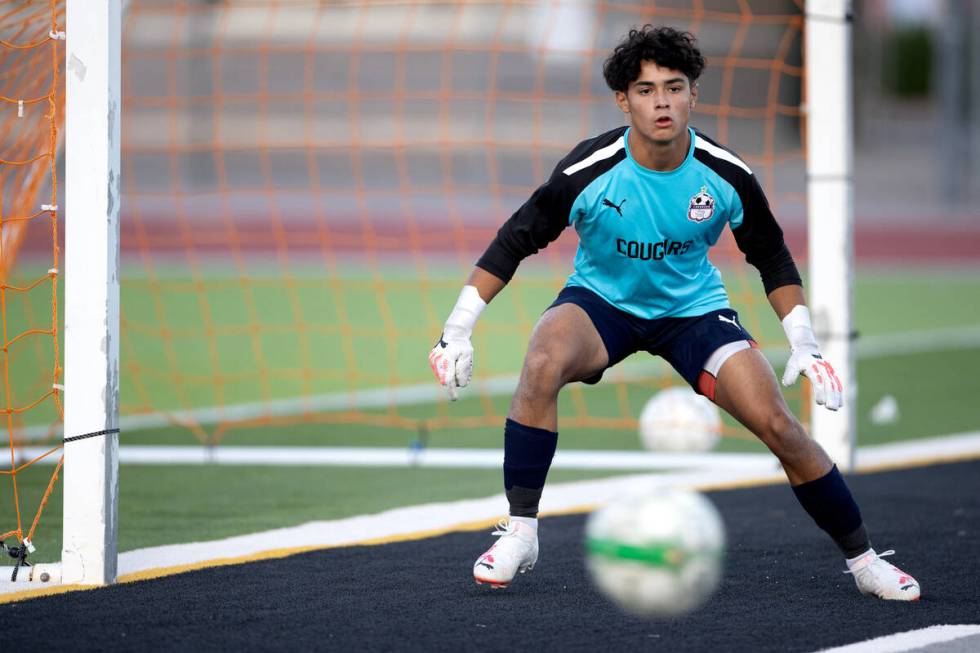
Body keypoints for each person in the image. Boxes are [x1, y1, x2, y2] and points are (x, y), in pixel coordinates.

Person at [428, 25, 919, 601]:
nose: (661, 101)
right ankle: (522, 532)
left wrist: (805, 342)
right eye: (645, 89)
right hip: (601, 304)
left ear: (693, 94)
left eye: (673, 87)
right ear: (623, 99)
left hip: (693, 312)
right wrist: (457, 329)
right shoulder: (588, 169)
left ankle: (865, 561)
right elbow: (514, 241)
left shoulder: (726, 174)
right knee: (540, 361)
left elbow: (773, 258)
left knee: (780, 425)